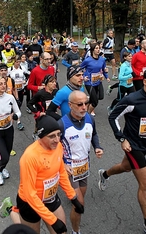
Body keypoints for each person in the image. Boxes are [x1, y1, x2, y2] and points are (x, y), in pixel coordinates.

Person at [99, 68, 146, 234]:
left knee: (125, 167)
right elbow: (113, 117)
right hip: (133, 146)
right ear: (145, 82)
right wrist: (122, 139)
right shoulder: (132, 100)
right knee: (145, 184)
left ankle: (104, 174)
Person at [0, 115, 84, 234]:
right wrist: (53, 221)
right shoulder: (30, 157)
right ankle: (10, 209)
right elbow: (30, 194)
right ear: (41, 136)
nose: (57, 140)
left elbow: (61, 173)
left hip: (50, 197)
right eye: (51, 136)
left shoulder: (58, 146)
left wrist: (73, 197)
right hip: (30, 202)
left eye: (59, 134)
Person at [59, 91, 104, 234]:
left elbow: (94, 134)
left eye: (86, 103)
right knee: (80, 205)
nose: (84, 107)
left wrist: (97, 146)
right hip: (69, 170)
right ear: (70, 105)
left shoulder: (90, 119)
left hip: (84, 167)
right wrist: (63, 164)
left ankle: (73, 199)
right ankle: (75, 231)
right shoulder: (61, 124)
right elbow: (51, 148)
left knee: (80, 198)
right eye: (80, 104)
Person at [80, 42, 109, 116]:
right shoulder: (87, 60)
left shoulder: (102, 59)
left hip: (98, 81)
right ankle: (87, 115)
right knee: (95, 102)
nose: (98, 50)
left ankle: (87, 102)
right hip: (89, 82)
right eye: (96, 48)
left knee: (100, 96)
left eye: (99, 48)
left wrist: (107, 76)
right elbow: (79, 68)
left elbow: (104, 69)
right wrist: (83, 77)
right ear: (92, 50)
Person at [27, 74, 58, 140]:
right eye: (52, 82)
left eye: (55, 82)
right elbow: (29, 104)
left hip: (53, 115)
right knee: (42, 135)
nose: (54, 83)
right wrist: (38, 113)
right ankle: (36, 133)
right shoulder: (40, 93)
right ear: (46, 84)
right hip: (42, 116)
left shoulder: (56, 92)